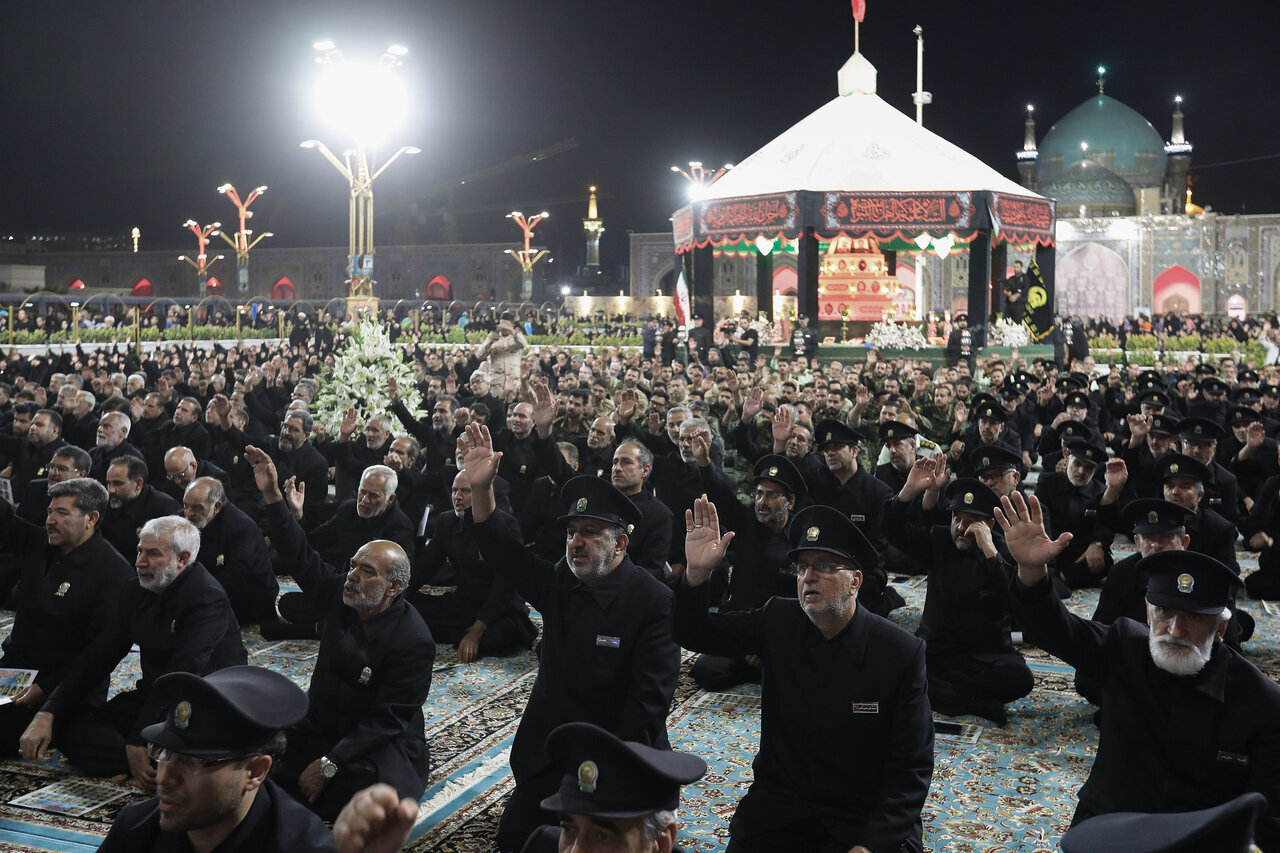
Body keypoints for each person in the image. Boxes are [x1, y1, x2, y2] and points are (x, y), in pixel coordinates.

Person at [999, 490, 1280, 846]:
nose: (1175, 631)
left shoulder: (1262, 704)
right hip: (1110, 821)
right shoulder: (1124, 647)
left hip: (1200, 837)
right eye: (1165, 612)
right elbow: (1056, 629)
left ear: (1221, 629)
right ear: (1148, 613)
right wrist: (1031, 571)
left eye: (1194, 618)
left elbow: (1266, 823)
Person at [461, 423, 680, 851]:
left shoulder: (653, 602)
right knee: (517, 842)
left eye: (590, 532)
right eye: (571, 532)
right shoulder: (562, 580)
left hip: (621, 756)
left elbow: (646, 709)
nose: (576, 542)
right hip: (552, 757)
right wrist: (482, 489)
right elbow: (507, 554)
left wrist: (600, 786)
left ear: (620, 544)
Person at [673, 499, 933, 852]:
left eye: (823, 566)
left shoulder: (899, 652)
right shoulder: (778, 620)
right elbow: (693, 632)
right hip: (783, 807)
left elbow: (912, 768)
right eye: (802, 567)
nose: (808, 577)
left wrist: (871, 845)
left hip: (860, 814)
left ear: (855, 581)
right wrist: (697, 575)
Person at [246, 444, 434, 822]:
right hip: (321, 725)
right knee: (254, 756)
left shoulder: (413, 640)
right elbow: (301, 554)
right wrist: (273, 497)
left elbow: (387, 720)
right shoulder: (341, 596)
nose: (352, 577)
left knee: (373, 796)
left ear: (394, 587)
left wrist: (331, 763)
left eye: (367, 572)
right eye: (352, 566)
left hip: (375, 742)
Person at [20, 515, 247, 785]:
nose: (140, 562)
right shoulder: (135, 591)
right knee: (68, 726)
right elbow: (99, 656)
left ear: (183, 559)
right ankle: (148, 764)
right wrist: (49, 711)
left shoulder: (207, 598)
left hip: (203, 700)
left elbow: (184, 671)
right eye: (140, 551)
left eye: (153, 554)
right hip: (155, 695)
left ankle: (146, 760)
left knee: (195, 743)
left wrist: (138, 737)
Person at [97, 666, 336, 853]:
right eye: (163, 753)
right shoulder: (136, 830)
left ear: (255, 771)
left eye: (193, 762)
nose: (163, 777)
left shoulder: (304, 847)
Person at [885, 459, 1033, 724]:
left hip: (985, 654)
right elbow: (892, 531)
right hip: (936, 650)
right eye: (957, 519)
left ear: (989, 524)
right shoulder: (939, 540)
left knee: (1021, 679)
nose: (961, 528)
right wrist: (908, 491)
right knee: (894, 667)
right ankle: (973, 703)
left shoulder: (1004, 551)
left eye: (971, 521)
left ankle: (942, 693)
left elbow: (1018, 602)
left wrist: (990, 552)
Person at [0, 478, 135, 752]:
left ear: (91, 519)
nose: (50, 520)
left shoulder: (114, 573)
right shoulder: (39, 544)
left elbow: (97, 654)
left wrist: (46, 689)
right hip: (16, 673)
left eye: (62, 513)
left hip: (67, 687)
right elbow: (5, 520)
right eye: (50, 511)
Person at [520, 721, 708, 853]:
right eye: (569, 829)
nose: (575, 851)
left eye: (602, 836)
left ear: (660, 844)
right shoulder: (539, 845)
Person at [183, 476, 280, 626]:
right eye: (186, 506)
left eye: (197, 507)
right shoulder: (187, 518)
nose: (188, 513)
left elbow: (236, 577)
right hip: (207, 586)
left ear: (216, 506)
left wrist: (194, 590)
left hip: (249, 595)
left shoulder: (242, 528)